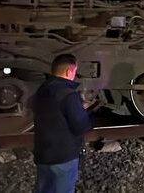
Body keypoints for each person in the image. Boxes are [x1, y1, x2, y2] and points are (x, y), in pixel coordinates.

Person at [33, 54, 92, 193]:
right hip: (63, 157)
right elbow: (80, 126)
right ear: (69, 72)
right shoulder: (69, 95)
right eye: (75, 72)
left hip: (43, 155)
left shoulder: (41, 90)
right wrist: (83, 111)